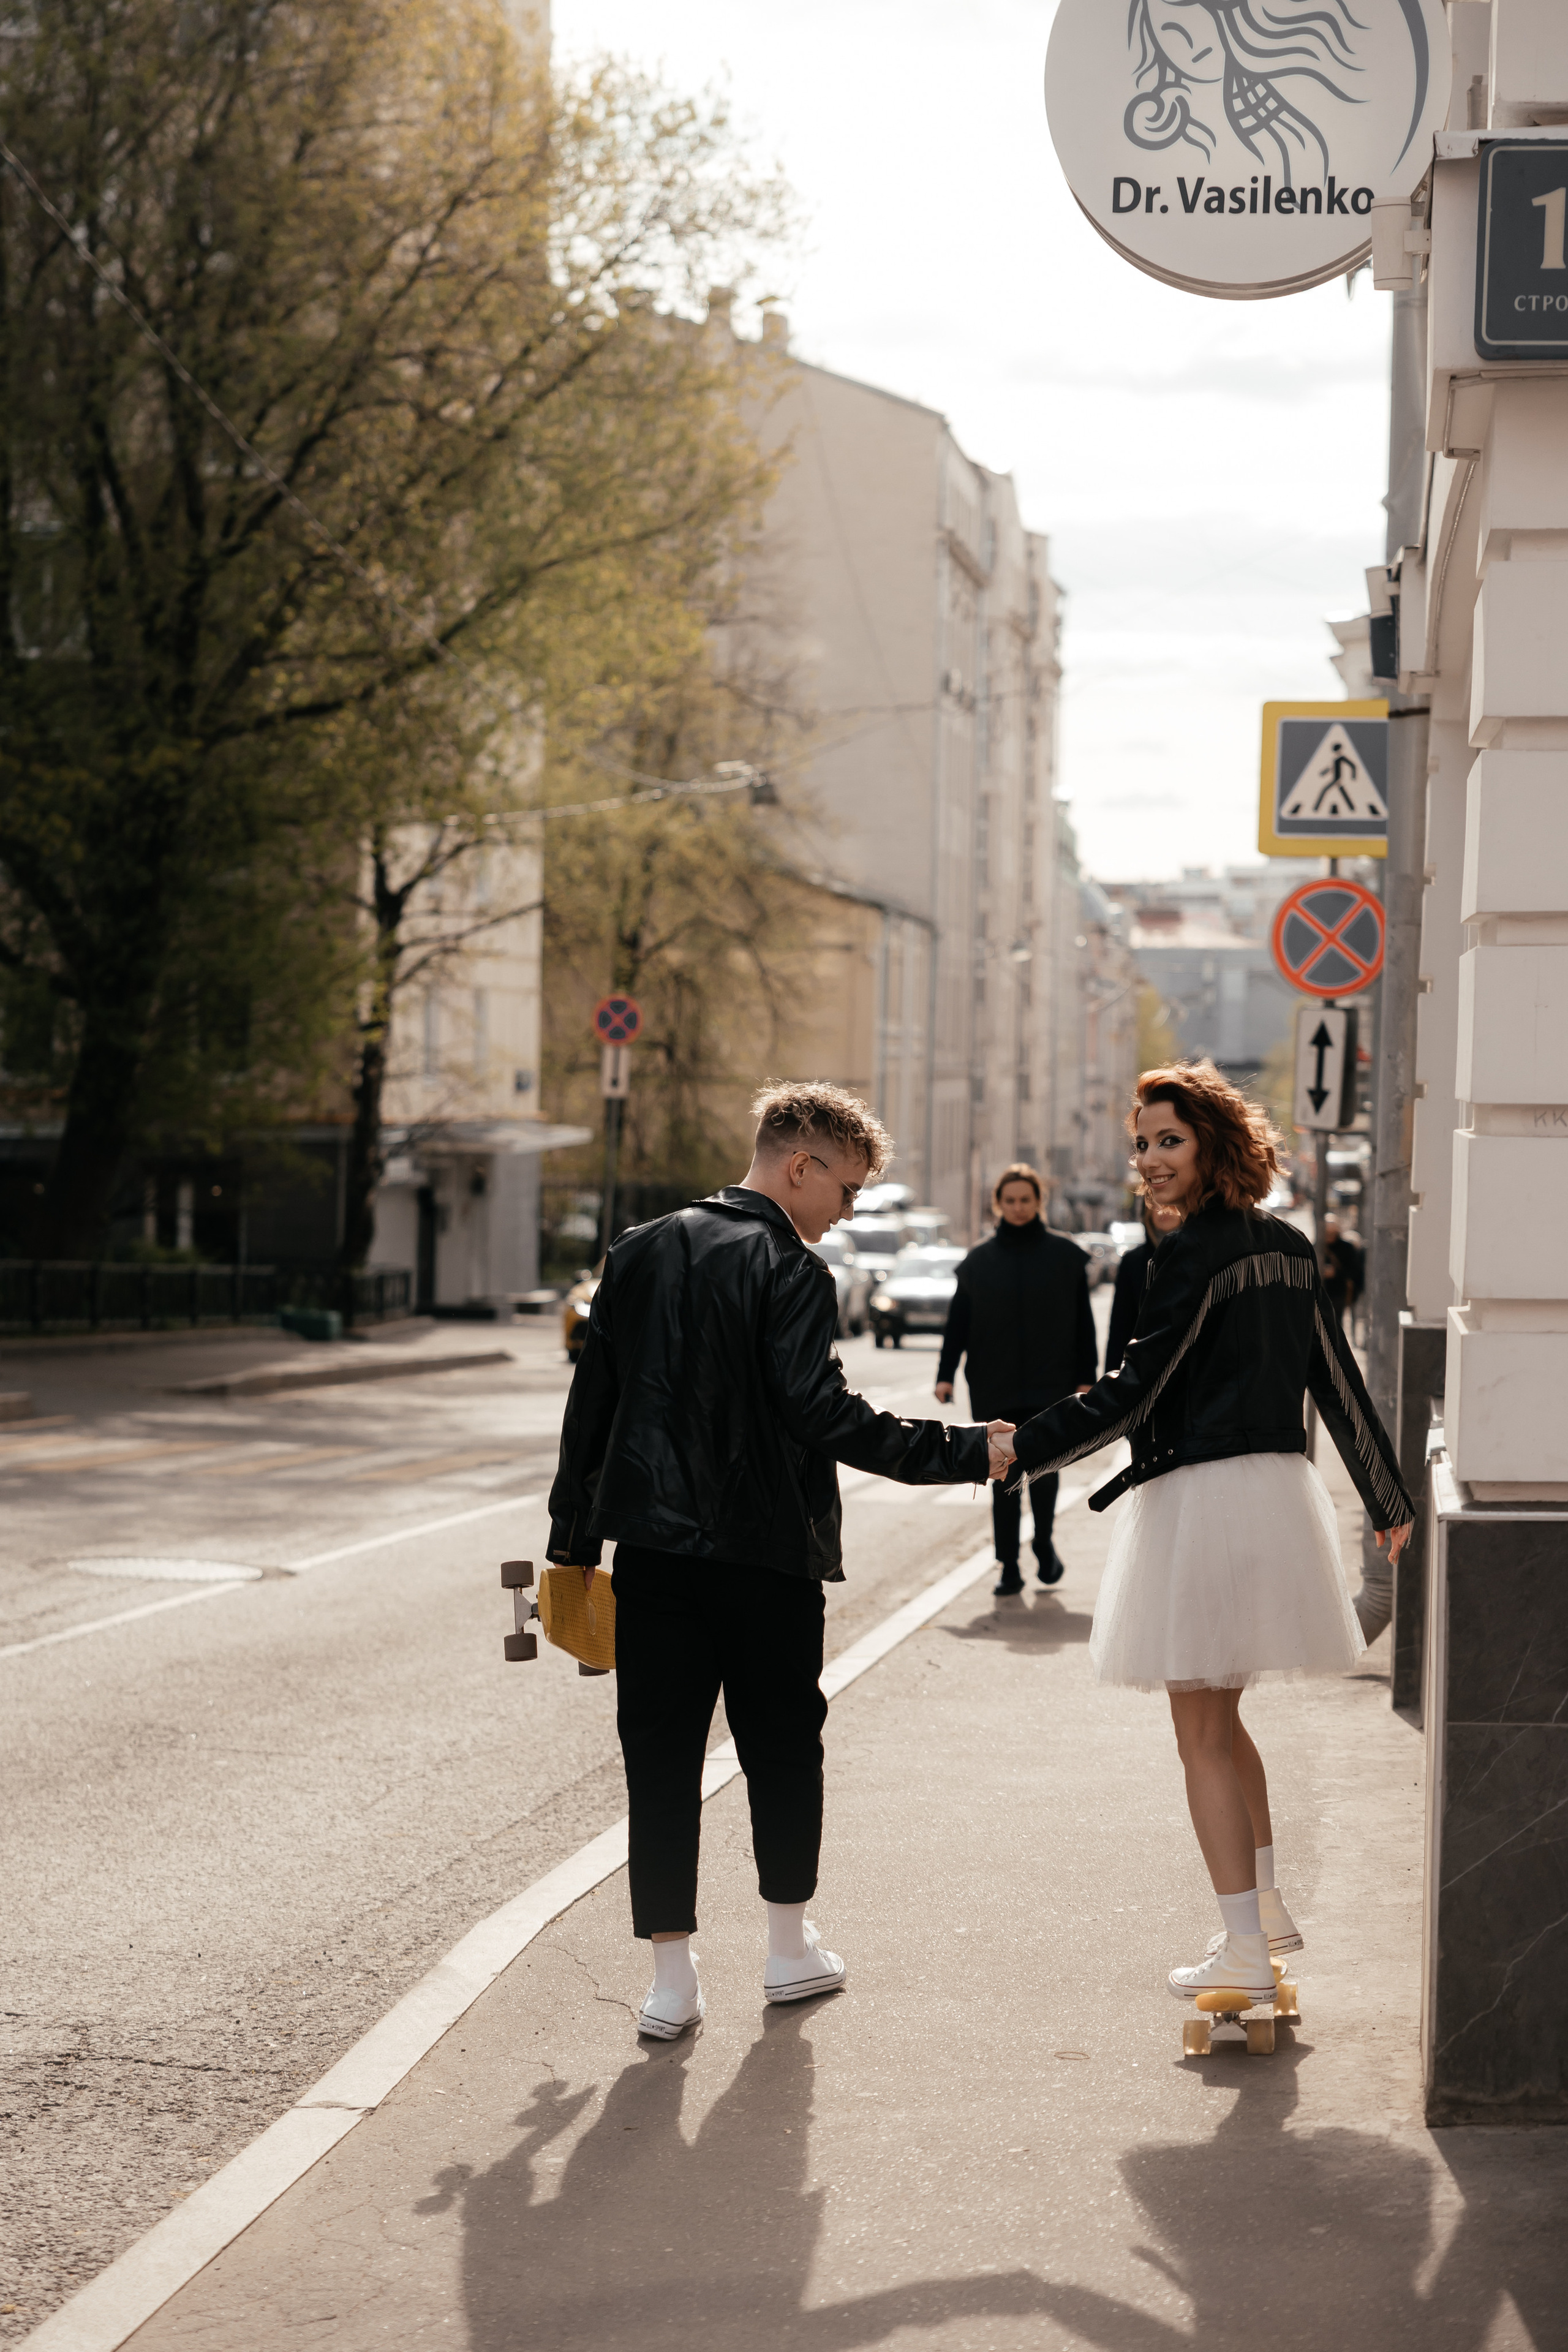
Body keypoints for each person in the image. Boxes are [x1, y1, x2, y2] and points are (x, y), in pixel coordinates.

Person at [548, 1081, 1014, 2042]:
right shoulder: (791, 1269)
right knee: (782, 1750)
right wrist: (966, 1451)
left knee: (661, 1760)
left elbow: (591, 1408)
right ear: (801, 1166)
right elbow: (824, 1415)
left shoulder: (637, 1250)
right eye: (846, 1190)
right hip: (766, 1557)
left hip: (653, 1556)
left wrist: (571, 1549)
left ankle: (670, 1984)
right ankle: (788, 1950)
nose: (847, 1212)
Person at [990, 1063, 1415, 2006]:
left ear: (1215, 1143)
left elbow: (1132, 1393)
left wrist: (1021, 1449)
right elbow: (1336, 1380)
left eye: (1169, 1141)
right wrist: (1387, 1499)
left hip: (1203, 1501)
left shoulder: (1190, 1254)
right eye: (1142, 1143)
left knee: (1201, 1738)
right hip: (1275, 1497)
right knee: (1224, 1721)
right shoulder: (1291, 1248)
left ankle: (1243, 1952)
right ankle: (1263, 1913)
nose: (1149, 1159)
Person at [935, 1164, 1099, 1597]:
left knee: (1045, 1470)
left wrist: (1087, 1377)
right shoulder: (978, 1261)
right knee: (1003, 1476)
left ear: (1038, 1202)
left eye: (1026, 1199)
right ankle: (1008, 1565)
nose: (1018, 1207)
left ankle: (1043, 1542)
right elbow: (958, 1324)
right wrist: (945, 1375)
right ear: (998, 1205)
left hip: (1052, 1384)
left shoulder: (1066, 1256)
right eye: (1010, 1201)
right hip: (996, 1384)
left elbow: (1084, 1323)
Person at [1104, 1199, 1182, 1374]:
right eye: (1156, 1205)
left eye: (1171, 1204)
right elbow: (1120, 1327)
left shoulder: (1199, 1258)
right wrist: (1112, 1377)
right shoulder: (1133, 1262)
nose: (1163, 1211)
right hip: (1141, 1371)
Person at [1321, 1214, 1365, 1334]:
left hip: (1339, 1292)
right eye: (1327, 1233)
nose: (1329, 1236)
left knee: (1336, 1324)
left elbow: (1354, 1271)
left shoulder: (1347, 1248)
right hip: (1320, 1291)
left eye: (1332, 1233)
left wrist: (1335, 1273)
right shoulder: (1318, 1247)